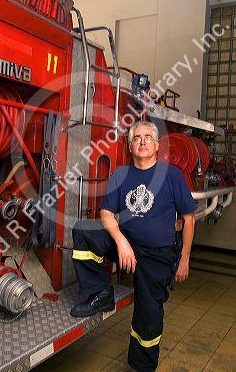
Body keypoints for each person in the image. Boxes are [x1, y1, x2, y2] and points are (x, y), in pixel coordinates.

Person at [70, 120, 196, 372]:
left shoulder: (171, 175)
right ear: (130, 145)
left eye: (147, 137)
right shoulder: (120, 175)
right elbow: (106, 213)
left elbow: (189, 218)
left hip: (157, 256)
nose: (142, 142)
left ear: (157, 144)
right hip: (127, 246)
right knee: (83, 230)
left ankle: (142, 367)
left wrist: (183, 259)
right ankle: (101, 293)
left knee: (148, 315)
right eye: (136, 138)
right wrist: (121, 242)